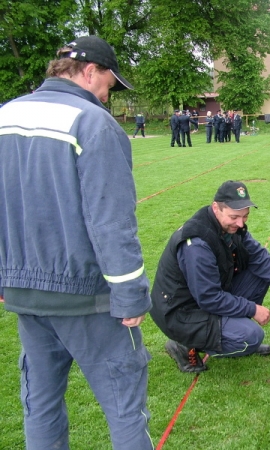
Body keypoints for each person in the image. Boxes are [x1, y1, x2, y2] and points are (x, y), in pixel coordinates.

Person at [0, 35, 153, 449]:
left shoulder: (5, 115)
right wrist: (131, 296)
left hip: (26, 295)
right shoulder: (93, 123)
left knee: (41, 406)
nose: (107, 95)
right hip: (88, 299)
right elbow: (112, 221)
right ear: (89, 72)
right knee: (125, 411)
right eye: (108, 84)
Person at [150, 180, 270, 372]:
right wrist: (252, 309)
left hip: (203, 299)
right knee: (251, 337)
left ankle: (232, 331)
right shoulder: (197, 244)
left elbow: (259, 257)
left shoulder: (230, 227)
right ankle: (183, 344)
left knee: (260, 274)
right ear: (216, 208)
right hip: (182, 313)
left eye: (245, 216)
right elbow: (209, 297)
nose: (240, 223)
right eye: (234, 217)